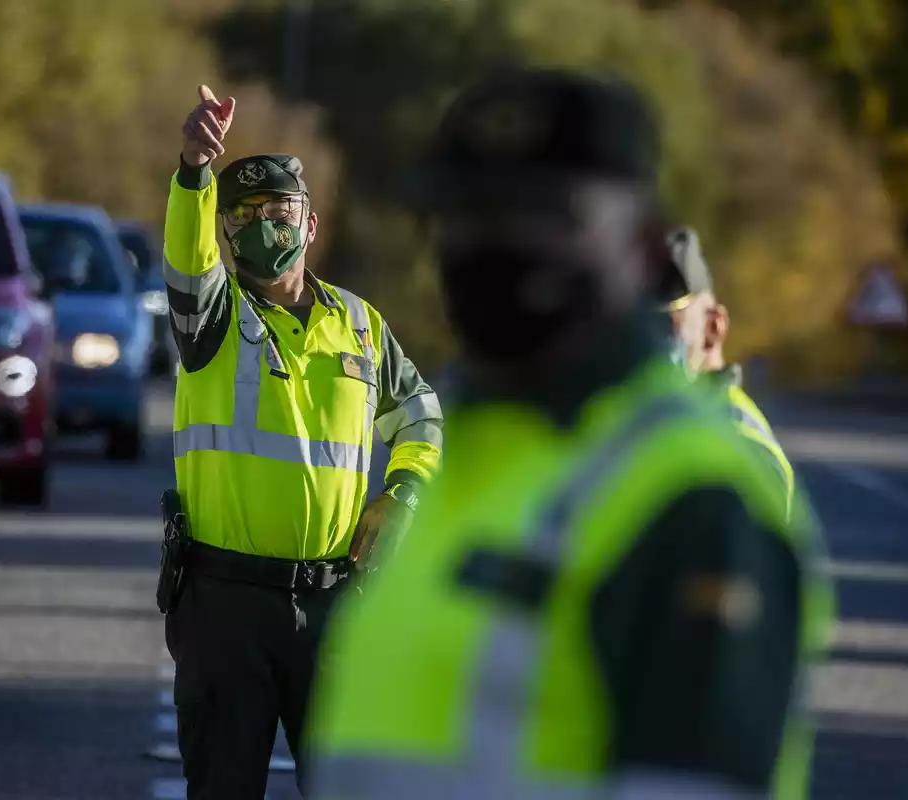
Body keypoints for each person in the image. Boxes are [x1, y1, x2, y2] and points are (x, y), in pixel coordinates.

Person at [304, 66, 834, 799]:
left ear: (643, 248)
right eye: (469, 215)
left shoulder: (690, 497)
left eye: (549, 216)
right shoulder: (472, 458)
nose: (497, 246)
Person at [160, 84, 444, 799]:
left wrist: (403, 493)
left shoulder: (360, 325)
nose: (264, 226)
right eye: (245, 215)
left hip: (335, 605)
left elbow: (420, 414)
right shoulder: (212, 318)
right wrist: (195, 167)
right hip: (226, 606)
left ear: (310, 225)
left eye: (280, 212)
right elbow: (187, 261)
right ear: (224, 230)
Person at [659, 226, 794, 511]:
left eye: (667, 323)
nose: (648, 338)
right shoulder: (646, 424)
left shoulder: (744, 449)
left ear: (714, 326)